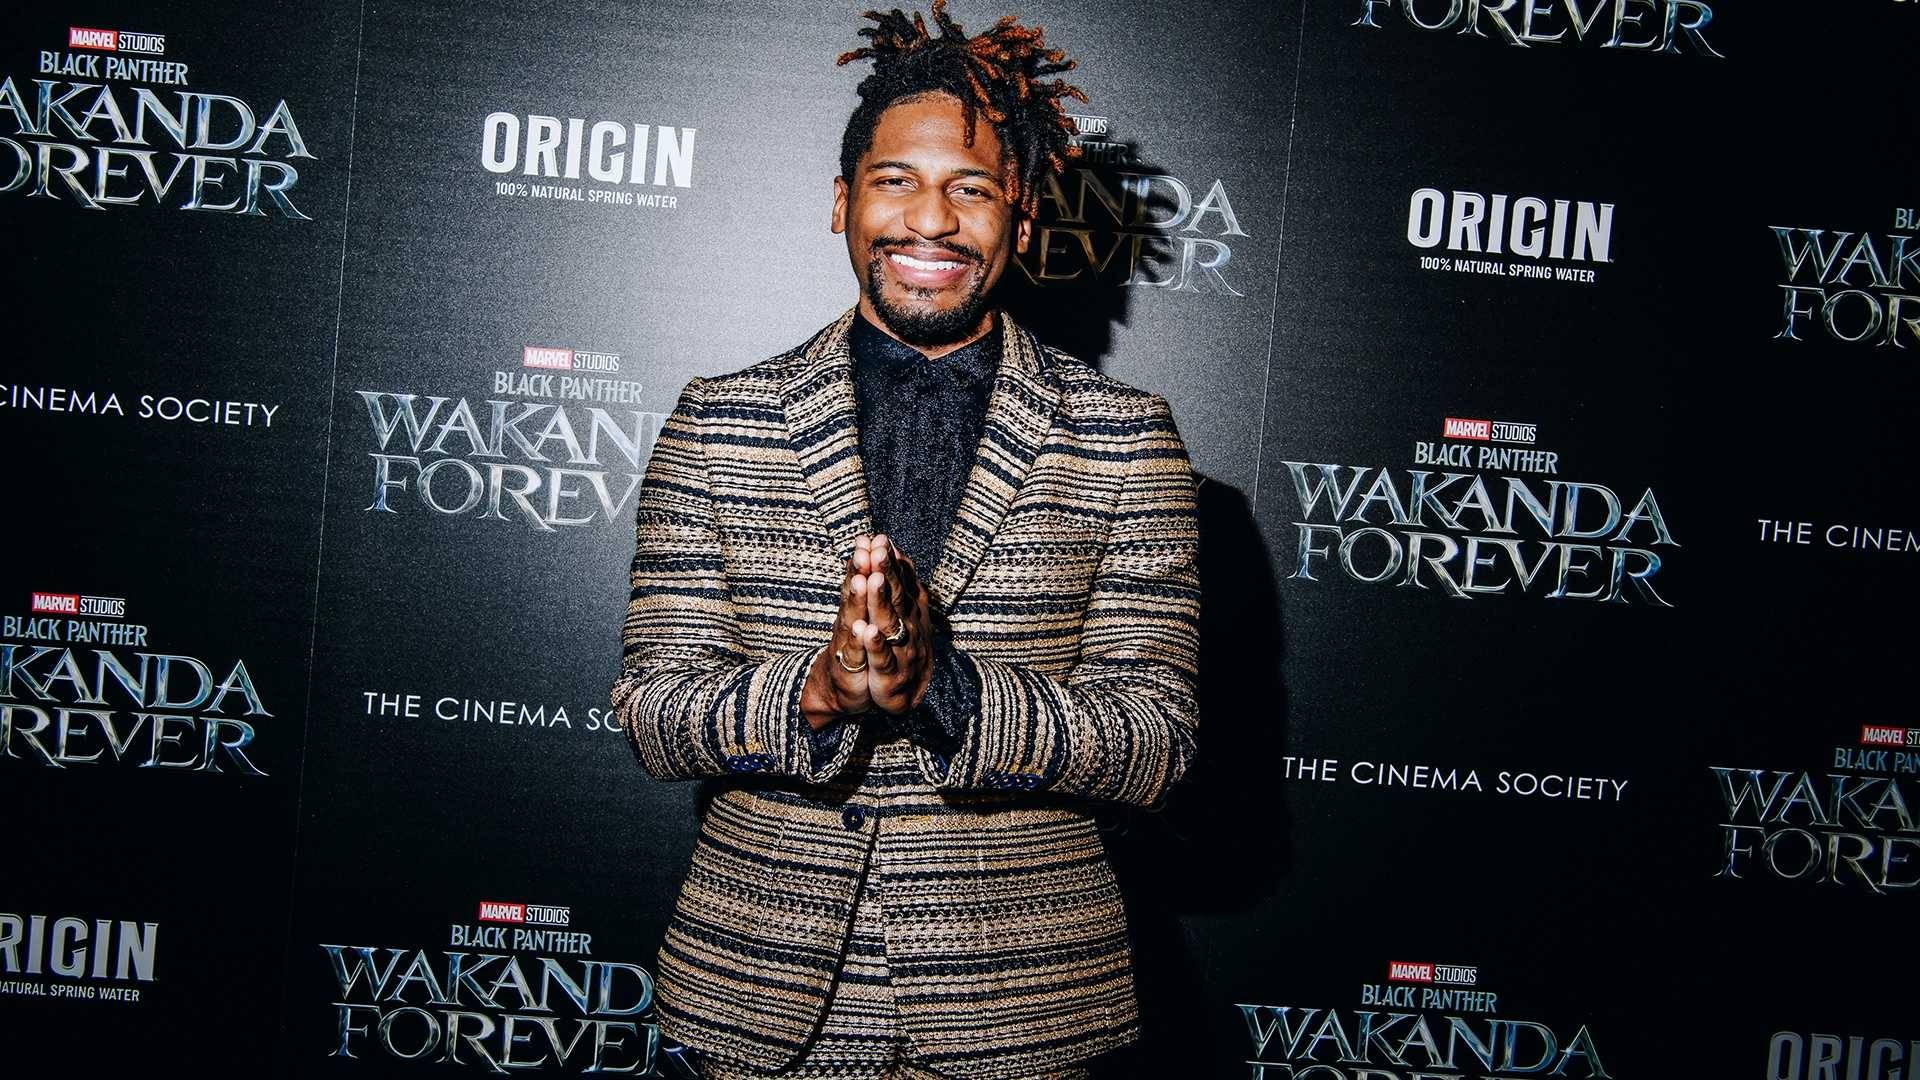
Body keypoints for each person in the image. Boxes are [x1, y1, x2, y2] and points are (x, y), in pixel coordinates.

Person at [610, 4, 1200, 1077]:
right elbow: (655, 712)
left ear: (1021, 217)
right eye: (895, 180)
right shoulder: (719, 419)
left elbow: (1155, 740)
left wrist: (947, 689)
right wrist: (820, 691)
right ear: (843, 199)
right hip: (757, 1002)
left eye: (972, 189)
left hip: (1021, 1011)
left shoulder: (1125, 437)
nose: (930, 219)